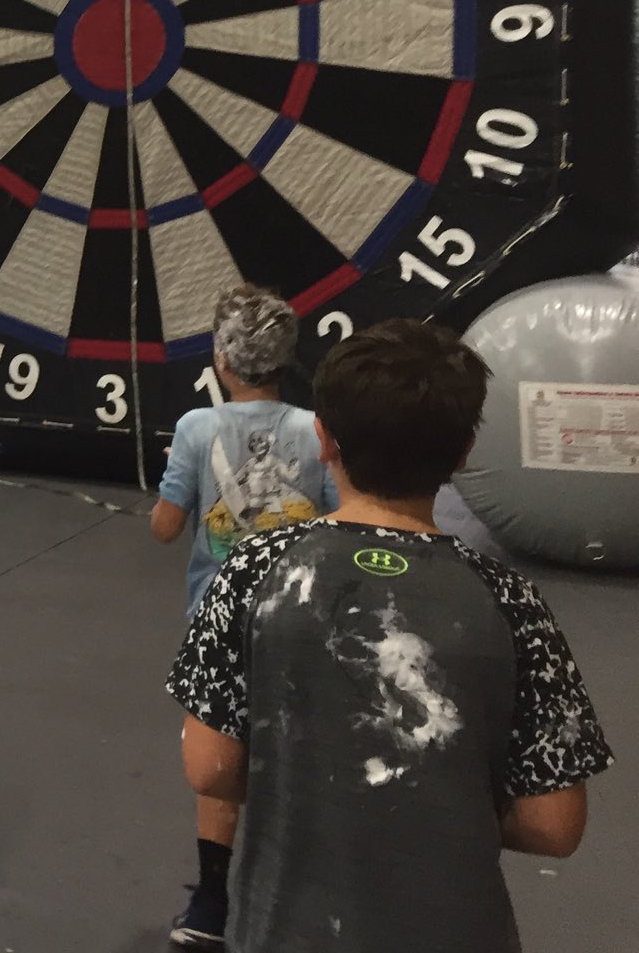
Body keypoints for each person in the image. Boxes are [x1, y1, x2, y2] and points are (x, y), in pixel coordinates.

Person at [168, 319, 613, 953]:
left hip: (285, 929)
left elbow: (208, 766)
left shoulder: (252, 570)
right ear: (463, 451)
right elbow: (555, 824)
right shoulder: (512, 601)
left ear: (324, 439)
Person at [150, 285, 337, 948]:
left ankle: (210, 903)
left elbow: (167, 527)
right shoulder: (316, 430)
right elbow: (341, 517)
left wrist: (169, 503)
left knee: (218, 762)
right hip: (301, 620)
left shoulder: (198, 429)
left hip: (216, 625)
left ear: (222, 357)